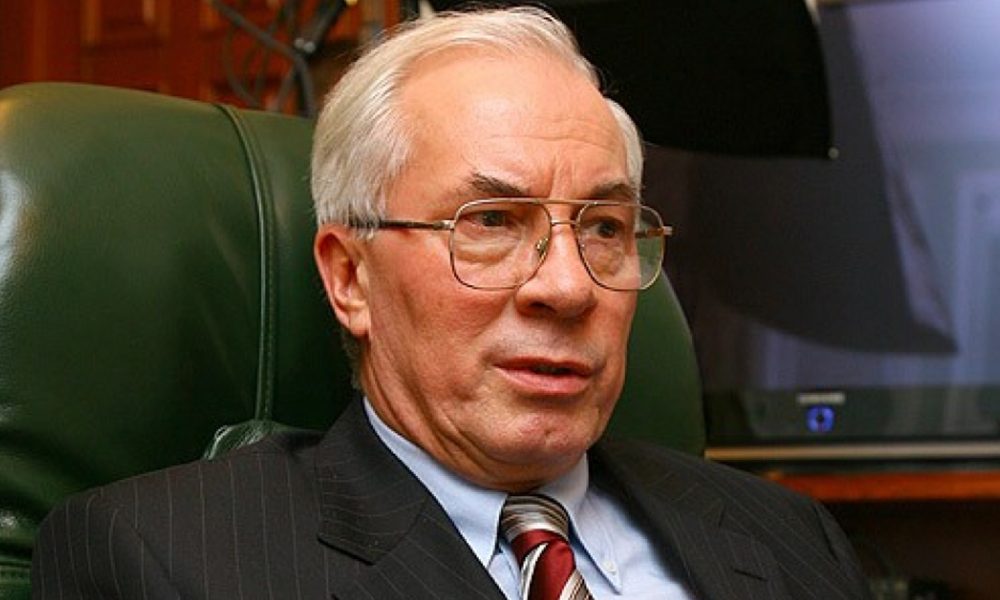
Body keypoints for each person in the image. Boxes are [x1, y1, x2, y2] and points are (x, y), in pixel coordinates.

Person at [31, 7, 871, 599]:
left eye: (604, 227)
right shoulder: (159, 560)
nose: (568, 286)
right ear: (349, 278)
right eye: (491, 222)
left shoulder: (787, 538)